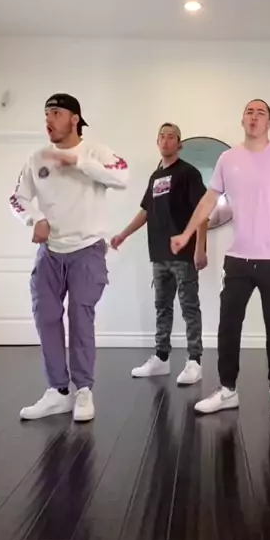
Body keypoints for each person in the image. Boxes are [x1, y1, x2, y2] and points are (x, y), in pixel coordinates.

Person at [170, 99, 270, 419]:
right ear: (243, 121)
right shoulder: (228, 159)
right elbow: (208, 201)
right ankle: (227, 390)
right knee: (228, 325)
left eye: (261, 112)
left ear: (269, 123)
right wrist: (186, 233)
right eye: (249, 112)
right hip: (238, 258)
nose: (254, 116)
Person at [10, 93, 128, 421]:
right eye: (46, 113)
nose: (49, 119)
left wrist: (78, 162)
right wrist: (35, 219)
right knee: (46, 317)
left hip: (87, 251)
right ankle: (59, 392)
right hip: (50, 253)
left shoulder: (97, 152)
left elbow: (122, 176)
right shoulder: (37, 158)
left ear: (75, 119)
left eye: (56, 112)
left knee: (80, 318)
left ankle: (84, 390)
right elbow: (17, 198)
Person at [111, 123, 208, 385]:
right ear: (157, 142)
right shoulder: (155, 177)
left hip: (183, 253)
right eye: (162, 137)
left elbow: (203, 211)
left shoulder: (188, 173)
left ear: (179, 144)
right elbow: (146, 211)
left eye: (171, 137)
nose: (166, 141)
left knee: (189, 307)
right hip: (158, 253)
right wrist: (123, 234)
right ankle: (161, 358)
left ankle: (194, 361)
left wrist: (200, 248)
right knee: (162, 307)